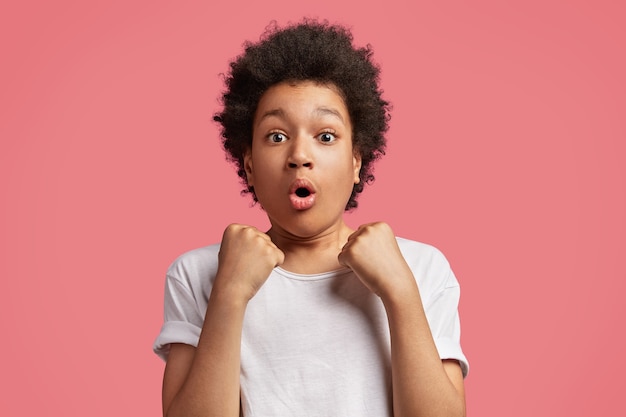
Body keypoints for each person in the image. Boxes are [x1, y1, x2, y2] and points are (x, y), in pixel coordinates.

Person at [153, 19, 469, 417]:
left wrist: (400, 290)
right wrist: (229, 294)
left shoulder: (423, 268)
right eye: (277, 136)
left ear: (356, 161)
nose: (300, 155)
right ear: (249, 165)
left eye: (325, 136)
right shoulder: (197, 274)